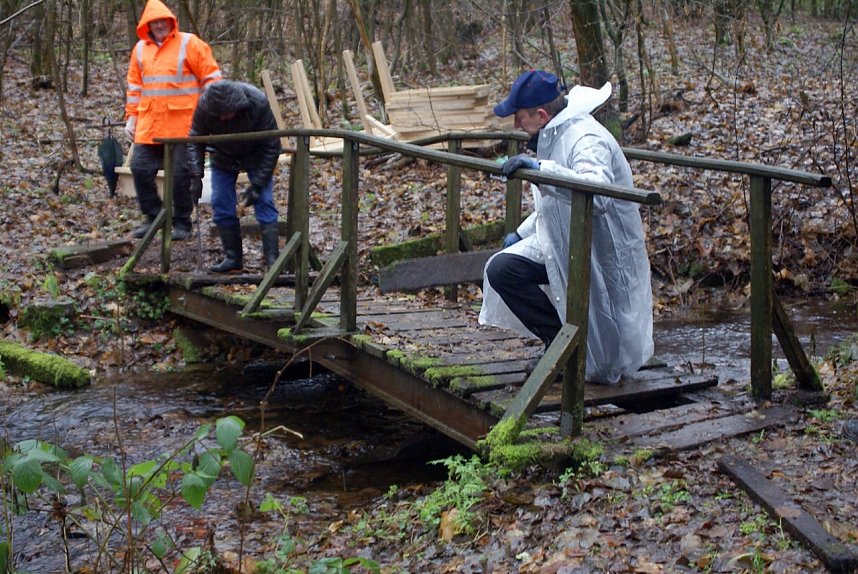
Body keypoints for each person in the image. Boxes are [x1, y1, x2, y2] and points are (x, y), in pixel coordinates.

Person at [479, 70, 654, 384]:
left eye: (519, 118)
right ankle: (557, 345)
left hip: (599, 249)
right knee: (504, 270)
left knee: (606, 341)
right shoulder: (553, 134)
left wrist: (541, 169)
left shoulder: (585, 139)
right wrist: (520, 232)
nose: (516, 126)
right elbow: (554, 204)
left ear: (542, 114)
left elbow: (597, 194)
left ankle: (582, 357)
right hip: (562, 241)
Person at [124, 0, 222, 241]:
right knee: (139, 168)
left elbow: (212, 80)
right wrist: (131, 118)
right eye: (154, 22)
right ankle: (154, 217)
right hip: (149, 125)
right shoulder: (139, 50)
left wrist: (209, 114)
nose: (158, 25)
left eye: (162, 21)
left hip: (184, 125)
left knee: (180, 175)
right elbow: (135, 89)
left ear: (170, 21)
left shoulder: (190, 44)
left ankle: (182, 222)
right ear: (146, 25)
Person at [187, 80, 282, 273]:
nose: (222, 118)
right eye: (218, 115)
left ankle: (273, 259)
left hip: (257, 153)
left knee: (264, 200)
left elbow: (273, 145)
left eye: (226, 113)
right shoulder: (205, 107)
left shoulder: (257, 102)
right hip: (222, 155)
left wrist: (258, 184)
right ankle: (233, 258)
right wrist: (196, 176)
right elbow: (195, 141)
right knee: (220, 202)